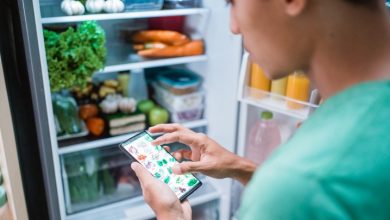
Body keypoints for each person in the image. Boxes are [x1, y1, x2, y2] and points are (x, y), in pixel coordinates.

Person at [131, 0, 390, 219]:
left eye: (233, 2)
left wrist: (171, 215)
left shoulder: (304, 180)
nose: (233, 27)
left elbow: (303, 190)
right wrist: (239, 167)